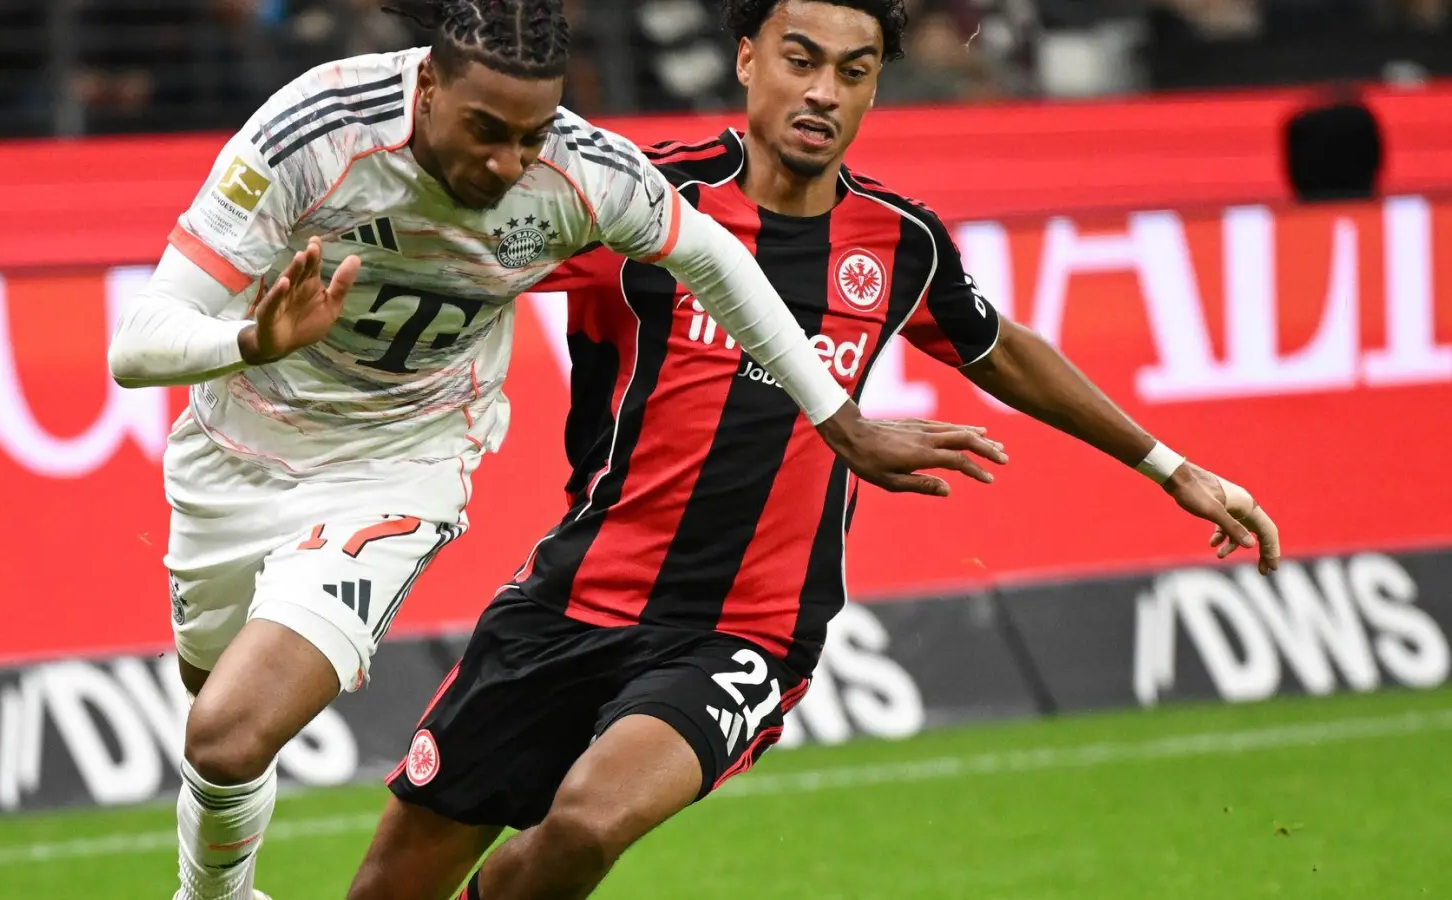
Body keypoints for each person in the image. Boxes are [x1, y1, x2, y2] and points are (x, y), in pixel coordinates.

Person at [344, 1, 1282, 899]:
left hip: (743, 631)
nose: (825, 92)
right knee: (390, 887)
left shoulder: (897, 241)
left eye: (854, 71)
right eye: (802, 61)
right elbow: (454, 255)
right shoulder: (638, 201)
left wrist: (1174, 467)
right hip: (568, 601)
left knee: (588, 825)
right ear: (747, 57)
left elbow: (1000, 348)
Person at [104, 1, 998, 898]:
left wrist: (837, 418)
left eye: (529, 137)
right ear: (425, 84)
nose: (507, 164)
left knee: (227, 732)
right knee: (215, 719)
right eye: (486, 130)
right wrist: (251, 343)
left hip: (403, 460)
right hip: (238, 446)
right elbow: (135, 344)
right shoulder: (316, 130)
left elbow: (719, 260)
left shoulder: (582, 169)